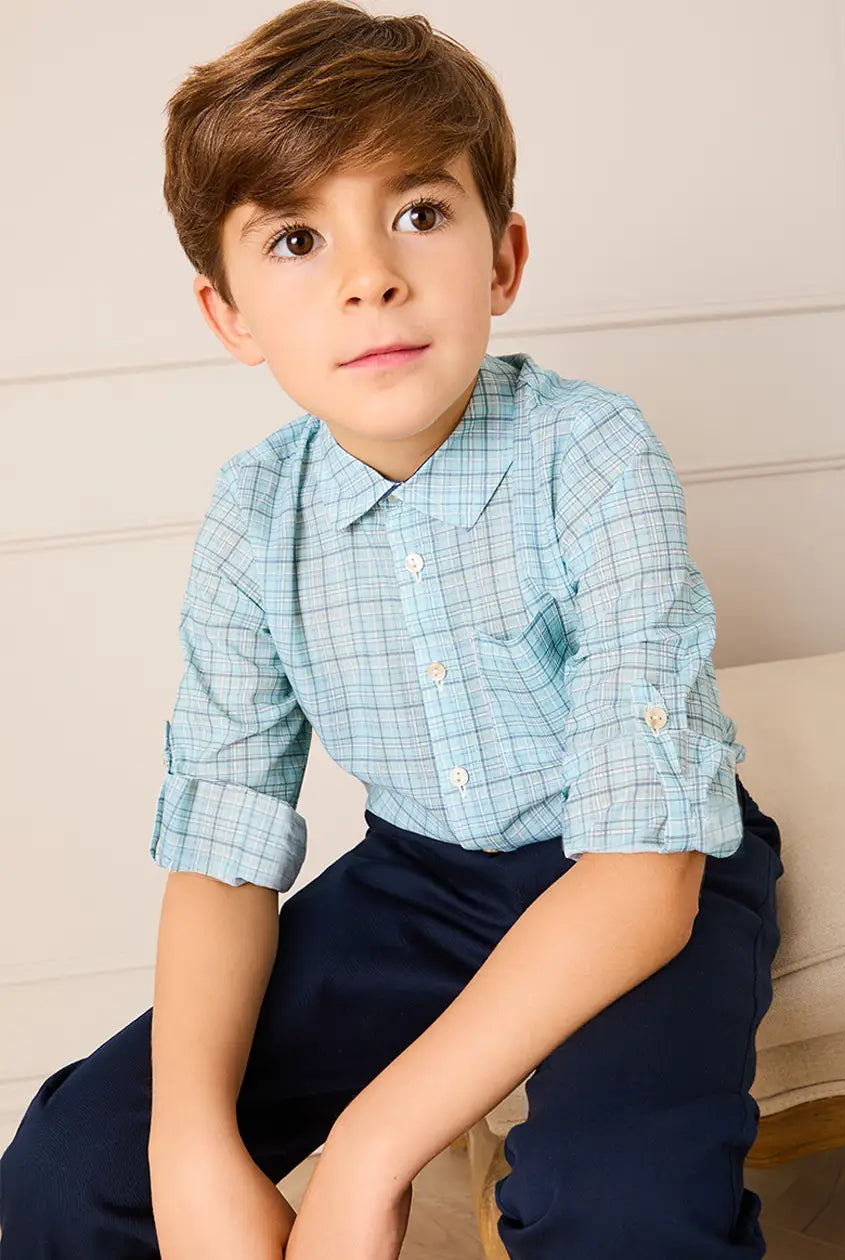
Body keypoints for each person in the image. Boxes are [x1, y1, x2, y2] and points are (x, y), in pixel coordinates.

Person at [0, 2, 785, 1256]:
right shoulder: (256, 514)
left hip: (635, 868)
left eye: (418, 213)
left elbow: (645, 879)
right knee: (71, 1169)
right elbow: (223, 838)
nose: (369, 277)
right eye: (297, 238)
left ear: (503, 259)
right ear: (229, 315)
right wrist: (188, 1139)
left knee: (618, 1204)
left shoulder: (592, 455)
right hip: (420, 881)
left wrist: (369, 1151)